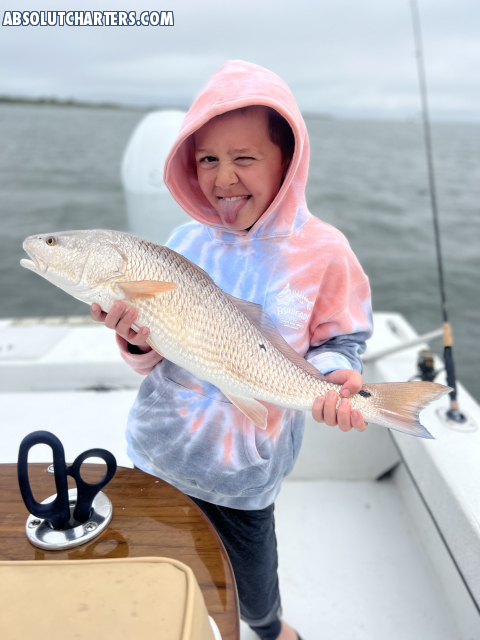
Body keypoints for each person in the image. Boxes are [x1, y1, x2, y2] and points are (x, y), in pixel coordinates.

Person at [91, 61, 372, 640]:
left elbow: (340, 339)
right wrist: (135, 338)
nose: (223, 177)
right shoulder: (183, 243)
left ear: (288, 162)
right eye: (207, 160)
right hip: (158, 451)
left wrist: (334, 376)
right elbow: (155, 351)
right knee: (163, 566)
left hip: (244, 476)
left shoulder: (324, 252)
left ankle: (270, 631)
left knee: (253, 594)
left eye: (245, 158)